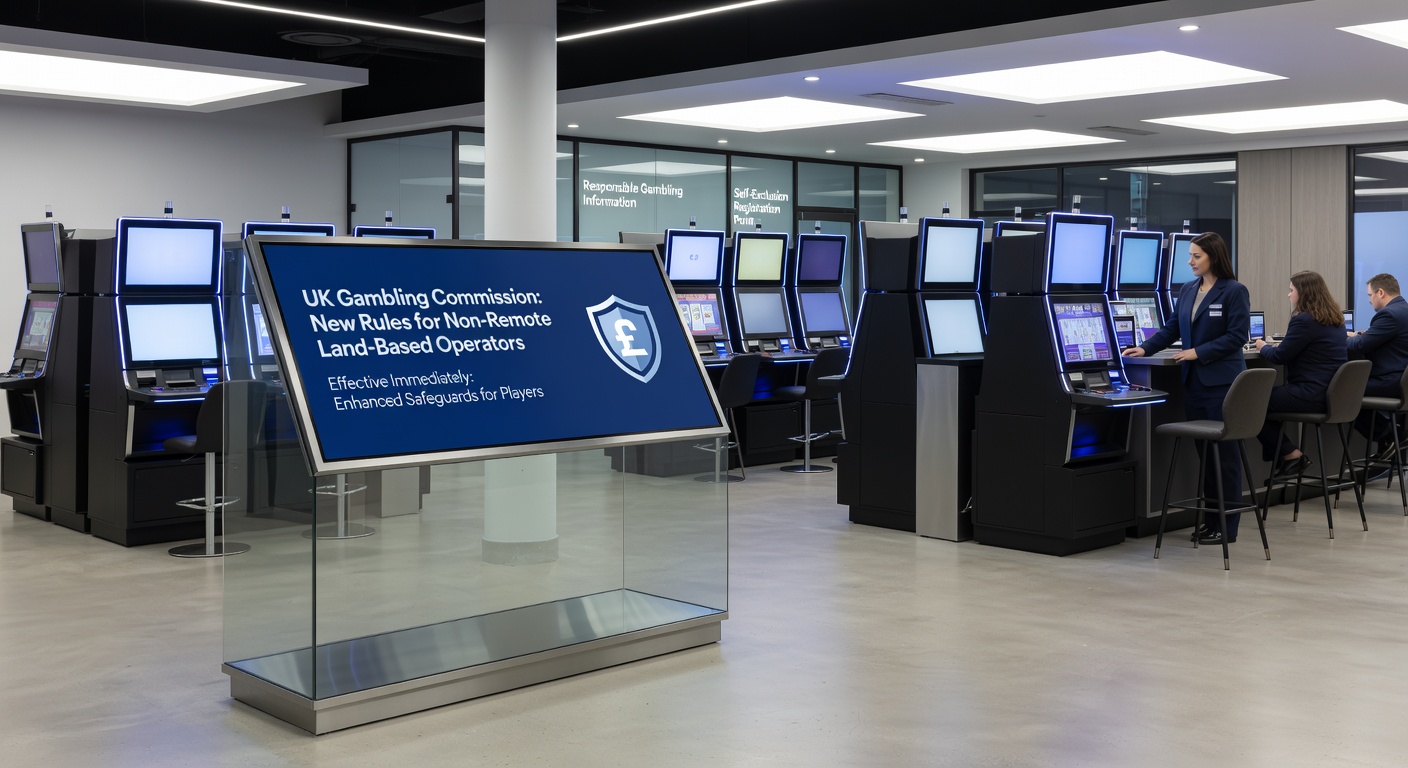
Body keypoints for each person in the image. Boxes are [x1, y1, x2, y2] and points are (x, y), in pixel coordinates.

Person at [1123, 232, 1249, 546]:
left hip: (1222, 383)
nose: (1190, 261)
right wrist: (1145, 348)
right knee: (1206, 457)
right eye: (1190, 255)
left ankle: (1227, 526)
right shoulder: (1188, 289)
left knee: (1225, 458)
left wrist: (1198, 352)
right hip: (1194, 384)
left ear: (1213, 257)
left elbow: (1237, 336)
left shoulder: (1234, 291)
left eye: (1196, 256)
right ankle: (1210, 522)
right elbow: (1172, 328)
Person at [1254, 271, 1349, 483]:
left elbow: (1279, 357)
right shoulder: (1335, 319)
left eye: (1291, 290)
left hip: (1310, 394)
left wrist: (1262, 346)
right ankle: (1284, 457)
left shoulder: (1304, 320)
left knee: (1252, 403)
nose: (1289, 295)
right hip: (1332, 394)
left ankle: (1290, 455)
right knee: (1265, 405)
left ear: (1303, 293)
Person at [1346, 273, 1408, 458]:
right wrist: (1367, 334)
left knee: (1341, 394)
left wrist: (1339, 337)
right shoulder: (1403, 309)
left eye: (1370, 295)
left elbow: (1359, 345)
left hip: (1390, 381)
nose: (1369, 300)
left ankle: (1387, 437)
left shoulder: (1388, 314)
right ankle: (1395, 436)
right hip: (1401, 381)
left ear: (1380, 292)